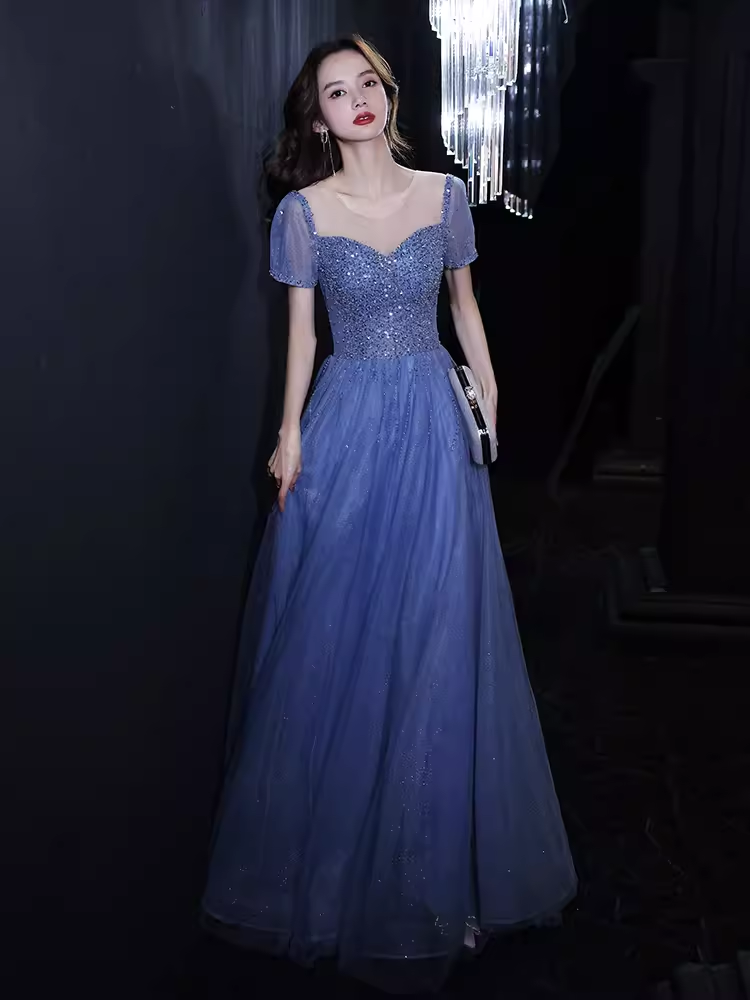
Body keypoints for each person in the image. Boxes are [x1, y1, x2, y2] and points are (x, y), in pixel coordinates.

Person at [201, 34, 576, 994]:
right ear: (317, 116)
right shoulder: (304, 213)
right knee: (339, 631)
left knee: (438, 627)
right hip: (349, 420)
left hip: (433, 419)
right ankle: (334, 883)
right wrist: (289, 435)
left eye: (366, 82)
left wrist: (489, 392)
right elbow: (301, 337)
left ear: (388, 93)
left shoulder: (443, 196)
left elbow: (465, 307)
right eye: (336, 91)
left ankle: (437, 882)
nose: (356, 99)